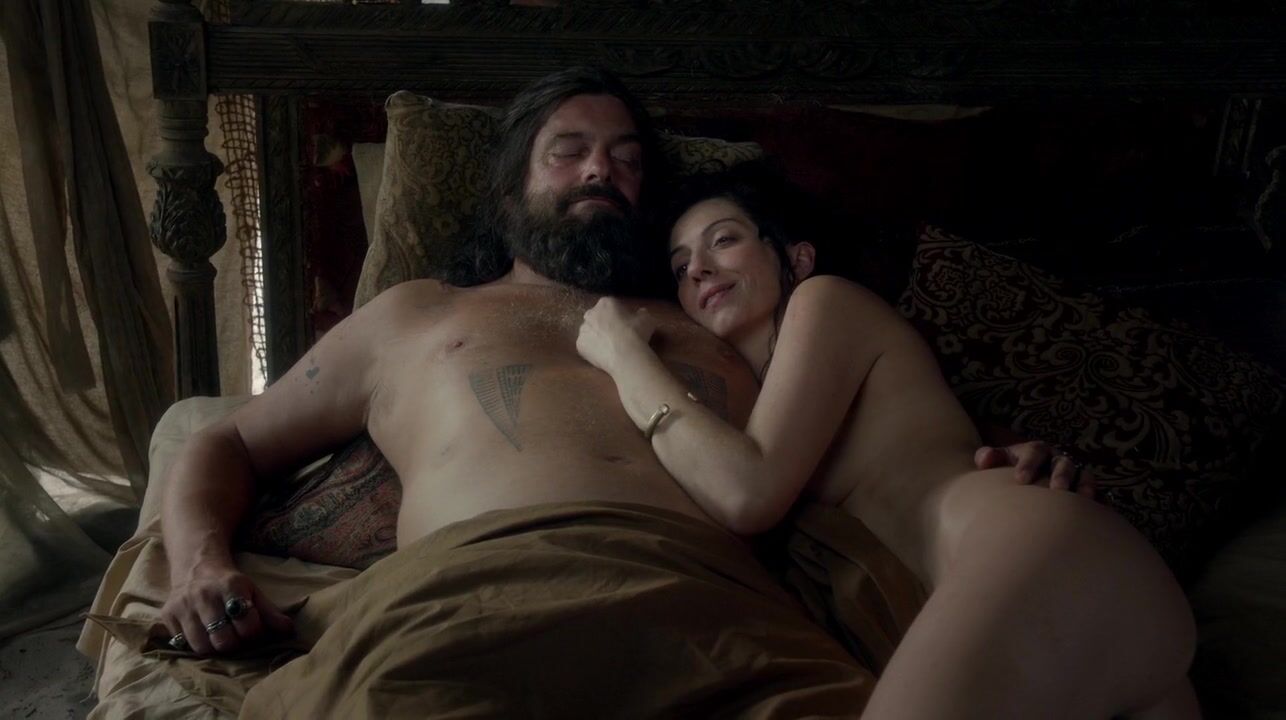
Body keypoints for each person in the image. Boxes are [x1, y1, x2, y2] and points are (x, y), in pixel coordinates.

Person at [157, 66, 1073, 717]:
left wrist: (989, 458)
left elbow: (864, 414)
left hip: (726, 618)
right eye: (570, 152)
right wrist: (200, 563)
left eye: (628, 159)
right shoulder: (418, 313)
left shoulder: (716, 320)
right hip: (472, 600)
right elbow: (222, 440)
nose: (603, 170)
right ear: (511, 186)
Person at [575, 163, 1199, 718]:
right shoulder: (756, 409)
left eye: (723, 240)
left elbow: (747, 492)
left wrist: (625, 355)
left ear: (797, 258)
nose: (699, 269)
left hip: (1039, 559)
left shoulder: (825, 301)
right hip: (1056, 601)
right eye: (681, 266)